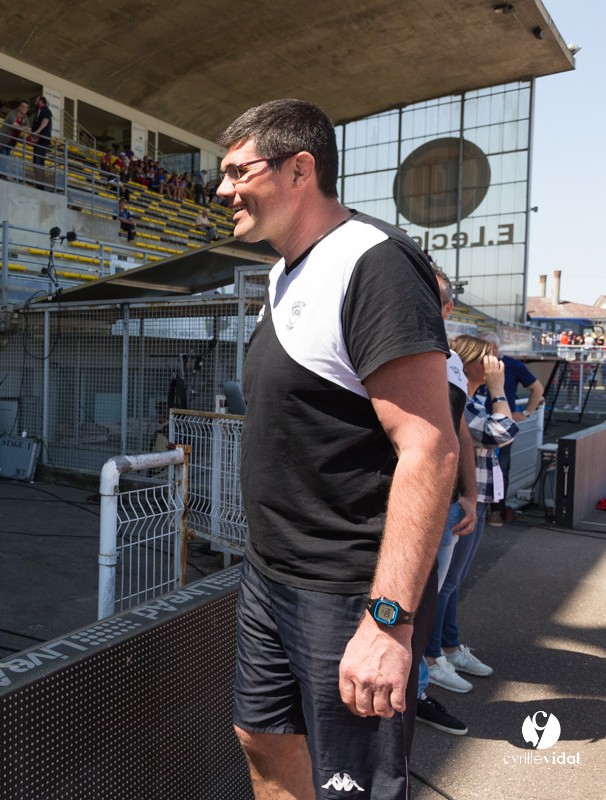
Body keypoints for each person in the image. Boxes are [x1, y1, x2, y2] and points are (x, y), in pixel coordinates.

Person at [218, 99, 457, 800]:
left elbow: (429, 449)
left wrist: (388, 623)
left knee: (354, 786)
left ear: (300, 169)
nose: (223, 189)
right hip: (271, 576)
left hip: (347, 590)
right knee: (262, 741)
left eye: (239, 171)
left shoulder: (373, 264)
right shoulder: (283, 270)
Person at [424, 335, 517, 697]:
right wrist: (499, 389)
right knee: (443, 586)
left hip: (476, 499)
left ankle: (449, 647)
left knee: (454, 582)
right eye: (489, 359)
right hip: (461, 500)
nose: (497, 364)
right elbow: (503, 432)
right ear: (469, 363)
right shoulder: (463, 402)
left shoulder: (474, 399)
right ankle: (433, 659)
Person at [415, 268, 479, 737]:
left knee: (430, 598)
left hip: (446, 504)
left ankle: (419, 684)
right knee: (407, 600)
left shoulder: (452, 361)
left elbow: (460, 434)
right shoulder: (388, 343)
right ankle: (412, 688)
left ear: (447, 308)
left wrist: (471, 494)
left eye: (427, 294)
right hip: (400, 507)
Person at [477, 331, 543, 526]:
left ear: (493, 348)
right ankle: (477, 510)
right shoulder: (474, 365)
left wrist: (527, 413)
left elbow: (537, 388)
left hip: (501, 428)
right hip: (476, 425)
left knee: (501, 468)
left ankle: (497, 511)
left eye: (480, 346)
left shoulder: (513, 365)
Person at [30, 95, 53, 167]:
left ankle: (38, 177)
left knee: (38, 161)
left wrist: (37, 131)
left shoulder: (44, 109)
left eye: (37, 100)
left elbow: (45, 120)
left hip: (42, 139)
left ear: (40, 101)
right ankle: (37, 176)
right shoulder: (40, 110)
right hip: (39, 139)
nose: (35, 102)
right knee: (37, 160)